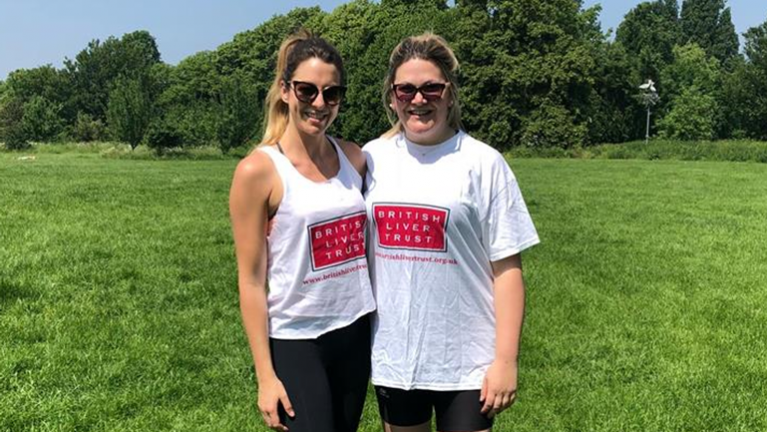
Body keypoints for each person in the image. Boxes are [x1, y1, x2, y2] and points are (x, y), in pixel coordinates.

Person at [363, 33, 540, 432]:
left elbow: (508, 269)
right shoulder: (372, 158)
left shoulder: (483, 162)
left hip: (468, 362)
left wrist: (506, 361)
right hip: (395, 357)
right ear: (392, 97)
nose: (419, 99)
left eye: (432, 88)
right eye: (406, 89)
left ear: (450, 94)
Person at [229, 30, 375, 432]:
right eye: (307, 90)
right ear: (285, 91)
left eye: (332, 93)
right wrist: (265, 376)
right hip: (297, 338)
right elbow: (251, 281)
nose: (319, 104)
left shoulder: (353, 157)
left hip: (354, 329)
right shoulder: (257, 172)